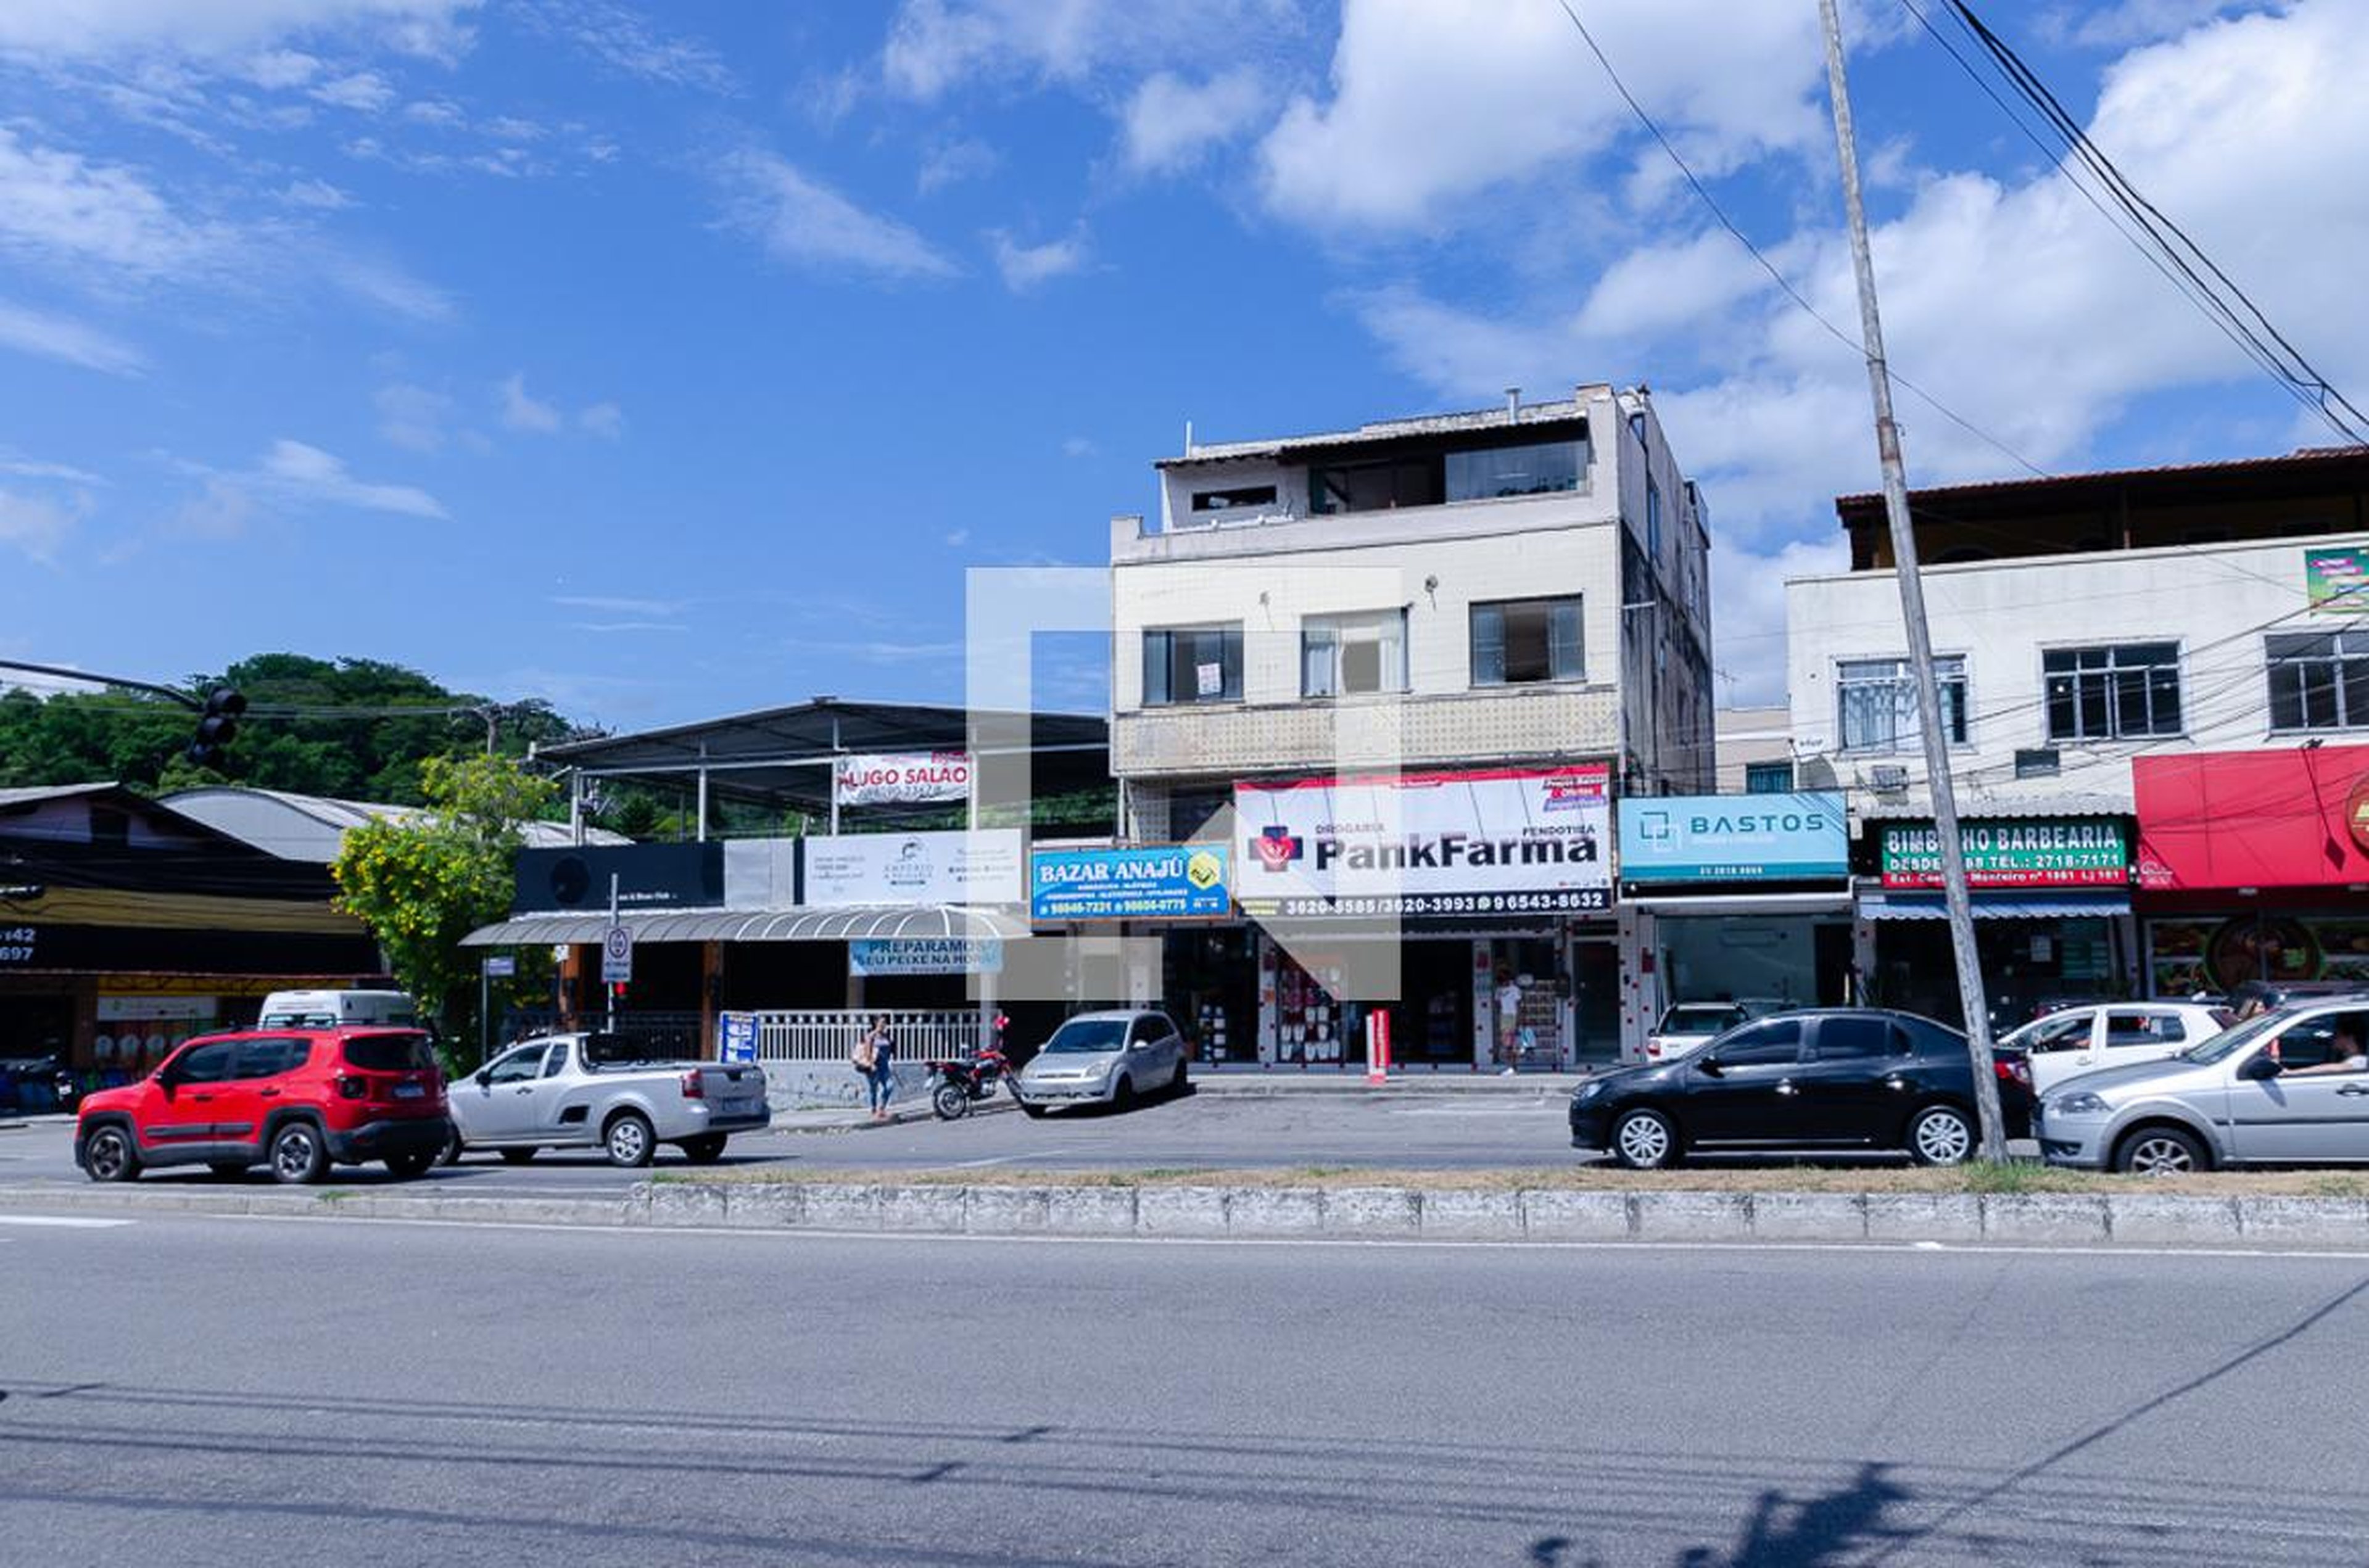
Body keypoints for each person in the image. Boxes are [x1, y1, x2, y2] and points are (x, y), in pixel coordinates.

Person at [2285, 1023, 2367, 1077]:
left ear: (2349, 1038)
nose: (2332, 1039)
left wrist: (2293, 1073)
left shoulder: (2361, 1060)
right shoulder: (2352, 1058)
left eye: (2337, 1035)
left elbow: (2336, 1068)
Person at [862, 1014, 898, 1120]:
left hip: (885, 1066)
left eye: (885, 1022)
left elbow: (890, 1051)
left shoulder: (886, 1036)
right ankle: (873, 1109)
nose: (884, 1025)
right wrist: (871, 1065)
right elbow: (867, 1053)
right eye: (882, 1022)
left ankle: (882, 1108)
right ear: (876, 1023)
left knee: (890, 1086)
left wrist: (891, 1061)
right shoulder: (871, 1036)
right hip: (874, 1066)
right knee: (873, 1089)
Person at [1494, 971, 1524, 1075]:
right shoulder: (1499, 990)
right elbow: (1498, 1004)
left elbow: (1519, 1005)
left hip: (1513, 1016)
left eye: (1503, 981)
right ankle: (1510, 1067)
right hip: (1504, 1017)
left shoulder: (1515, 990)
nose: (1502, 984)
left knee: (1513, 1044)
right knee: (1507, 1044)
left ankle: (1513, 1067)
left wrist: (1518, 1020)